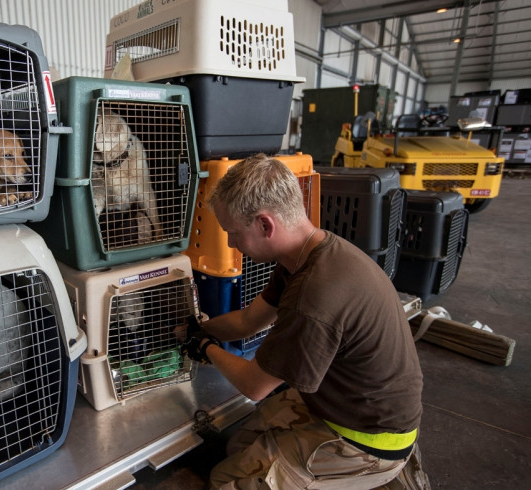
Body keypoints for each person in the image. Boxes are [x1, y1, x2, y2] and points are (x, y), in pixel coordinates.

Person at [180, 154, 426, 489]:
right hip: (346, 403)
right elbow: (249, 322)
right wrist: (199, 327)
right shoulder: (308, 254)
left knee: (224, 480)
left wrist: (205, 348)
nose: (231, 243)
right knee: (239, 445)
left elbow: (254, 386)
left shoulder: (314, 294)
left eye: (233, 232)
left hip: (368, 441)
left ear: (266, 225)